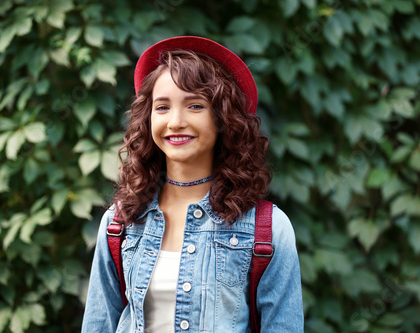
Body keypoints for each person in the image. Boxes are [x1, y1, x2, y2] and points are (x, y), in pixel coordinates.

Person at [81, 36, 304, 332]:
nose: (175, 121)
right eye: (162, 107)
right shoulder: (119, 224)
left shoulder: (268, 229)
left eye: (195, 105)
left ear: (223, 117)